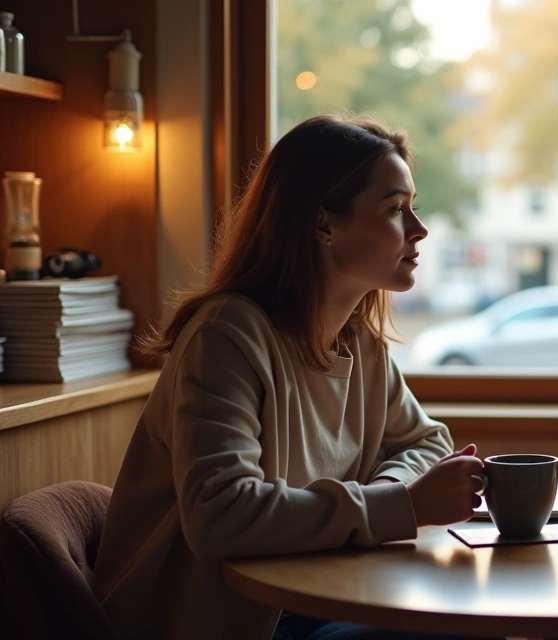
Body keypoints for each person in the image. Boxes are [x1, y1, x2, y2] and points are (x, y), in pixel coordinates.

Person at [92, 115, 486, 640]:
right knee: (461, 628)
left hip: (316, 595)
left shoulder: (356, 339)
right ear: (323, 225)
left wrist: (391, 491)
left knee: (467, 613)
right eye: (395, 209)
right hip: (229, 621)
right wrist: (404, 505)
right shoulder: (227, 336)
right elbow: (221, 516)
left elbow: (427, 441)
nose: (419, 229)